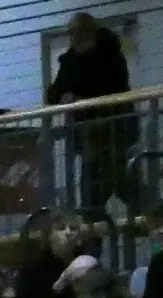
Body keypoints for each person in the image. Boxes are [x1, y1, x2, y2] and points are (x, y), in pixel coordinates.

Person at [45, 12, 136, 215]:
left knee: (121, 189)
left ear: (87, 33)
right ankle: (98, 227)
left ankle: (144, 223)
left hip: (114, 133)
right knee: (95, 196)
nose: (73, 38)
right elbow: (53, 94)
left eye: (75, 33)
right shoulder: (70, 61)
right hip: (91, 138)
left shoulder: (110, 55)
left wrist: (78, 98)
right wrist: (66, 96)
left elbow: (114, 87)